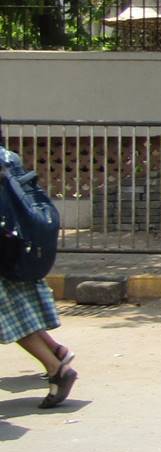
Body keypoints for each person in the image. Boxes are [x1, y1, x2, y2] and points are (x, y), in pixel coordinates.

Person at [0, 118, 77, 408]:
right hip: (15, 245)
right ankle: (56, 354)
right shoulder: (9, 157)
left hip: (7, 245)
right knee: (16, 310)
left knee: (10, 316)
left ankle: (57, 368)